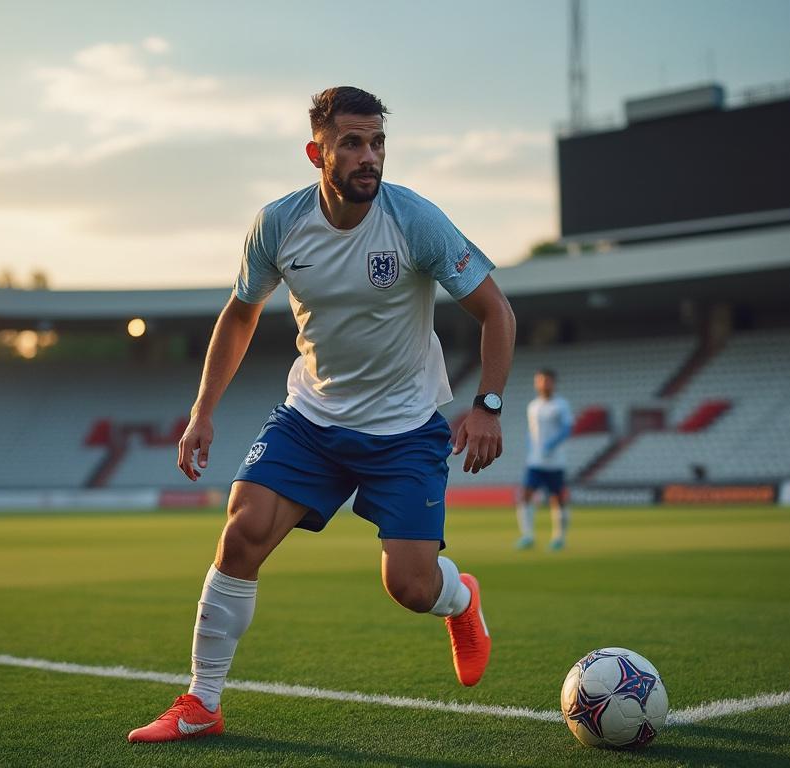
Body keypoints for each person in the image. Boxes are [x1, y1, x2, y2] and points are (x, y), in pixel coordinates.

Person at [127, 86, 516, 743]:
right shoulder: (278, 224)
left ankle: (461, 599)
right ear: (317, 153)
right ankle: (202, 702)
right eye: (352, 143)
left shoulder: (415, 220)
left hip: (403, 428)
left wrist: (489, 405)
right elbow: (241, 313)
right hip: (312, 417)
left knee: (410, 587)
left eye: (378, 143)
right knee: (243, 531)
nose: (370, 157)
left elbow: (496, 311)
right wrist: (202, 410)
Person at [516, 369, 574, 551]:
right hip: (535, 461)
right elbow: (531, 430)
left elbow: (566, 429)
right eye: (540, 381)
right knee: (525, 495)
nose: (543, 384)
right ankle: (527, 536)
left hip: (555, 461)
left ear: (553, 383)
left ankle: (559, 537)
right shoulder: (533, 406)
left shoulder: (561, 405)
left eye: (547, 381)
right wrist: (531, 447)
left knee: (557, 498)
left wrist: (551, 444)